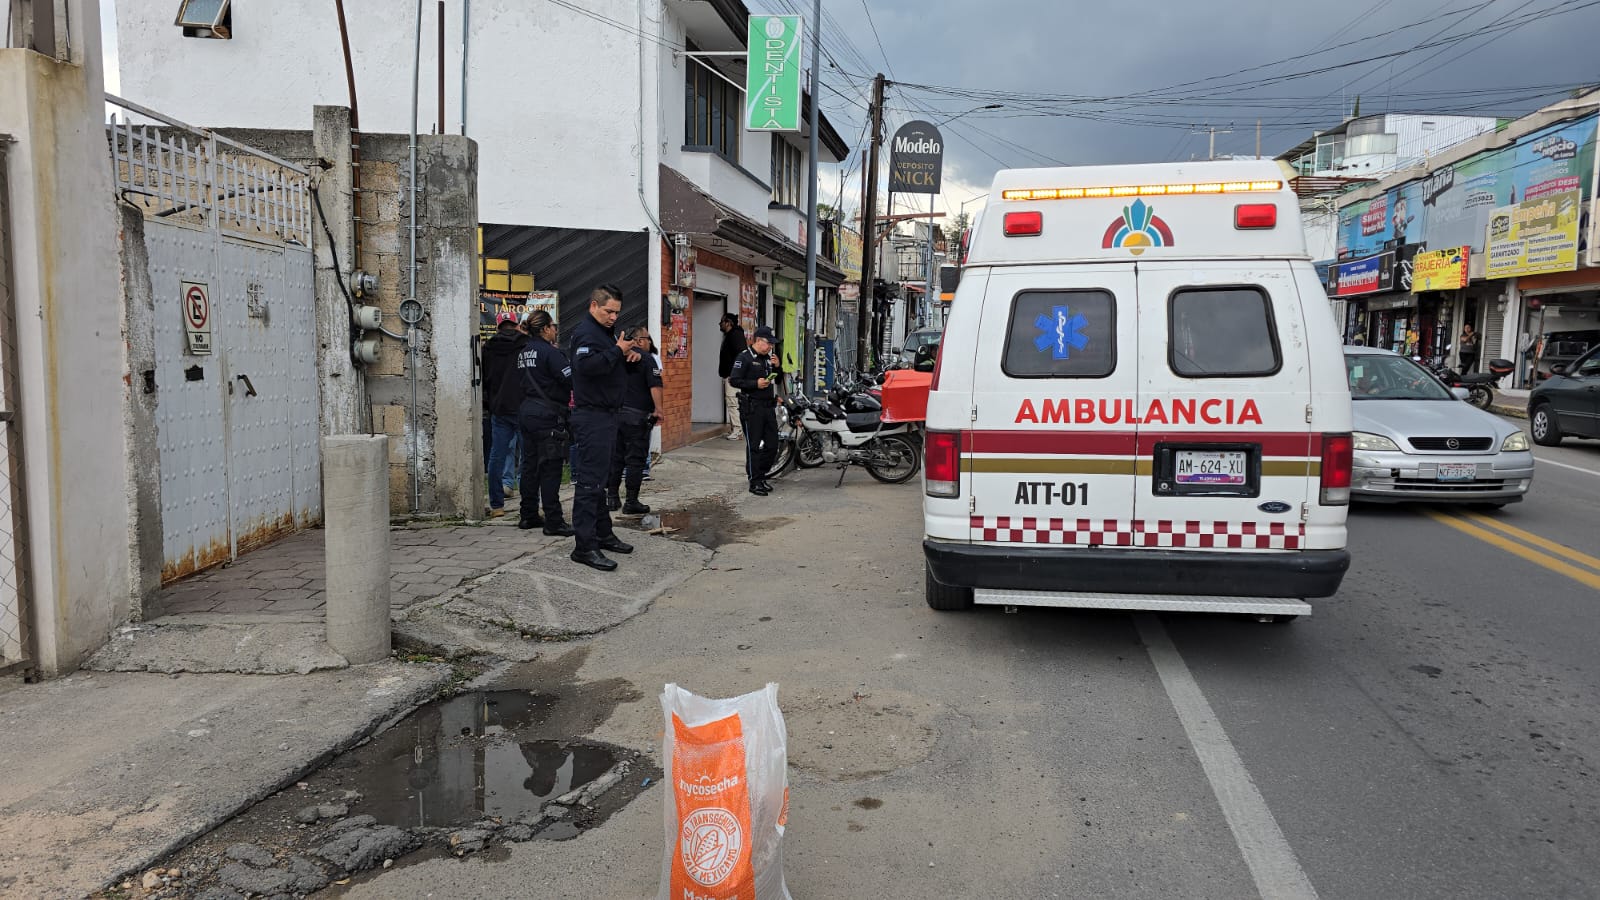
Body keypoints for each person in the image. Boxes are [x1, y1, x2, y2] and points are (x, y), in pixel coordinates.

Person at [567, 285, 637, 571]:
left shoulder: (605, 333)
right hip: (592, 416)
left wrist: (627, 357)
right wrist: (617, 351)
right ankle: (584, 546)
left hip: (607, 415)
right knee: (589, 482)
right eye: (608, 311)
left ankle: (603, 534)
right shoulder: (586, 333)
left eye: (617, 312)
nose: (613, 317)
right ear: (593, 305)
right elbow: (586, 368)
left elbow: (608, 367)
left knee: (602, 479)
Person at [513, 309, 575, 537]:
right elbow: (570, 380)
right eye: (553, 326)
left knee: (530, 466)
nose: (556, 330)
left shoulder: (524, 352)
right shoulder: (550, 353)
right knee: (550, 468)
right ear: (546, 329)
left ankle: (527, 515)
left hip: (527, 411)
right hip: (548, 415)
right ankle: (554, 521)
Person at [607, 328, 664, 515]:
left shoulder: (616, 358)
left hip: (616, 415)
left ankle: (612, 498)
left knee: (616, 458)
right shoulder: (647, 359)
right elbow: (655, 386)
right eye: (648, 338)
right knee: (635, 460)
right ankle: (631, 501)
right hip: (637, 416)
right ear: (640, 340)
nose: (650, 343)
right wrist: (659, 410)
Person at [481, 313, 528, 517]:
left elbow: (484, 378)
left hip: (499, 408)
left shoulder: (488, 348)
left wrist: (488, 403)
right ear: (516, 325)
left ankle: (497, 505)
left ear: (499, 326)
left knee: (496, 456)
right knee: (528, 456)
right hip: (523, 406)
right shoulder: (526, 344)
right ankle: (528, 503)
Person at [729, 325, 781, 496]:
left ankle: (762, 474)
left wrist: (777, 367)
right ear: (758, 341)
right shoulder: (744, 357)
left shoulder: (768, 358)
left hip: (768, 407)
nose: (770, 347)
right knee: (754, 446)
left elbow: (777, 379)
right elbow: (734, 380)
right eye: (768, 343)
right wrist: (754, 384)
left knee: (773, 444)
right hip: (752, 407)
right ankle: (755, 480)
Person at [718, 313, 747, 440]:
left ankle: (737, 430)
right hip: (730, 375)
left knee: (733, 402)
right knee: (732, 402)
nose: (720, 324)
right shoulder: (732, 335)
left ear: (728, 322)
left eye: (722, 322)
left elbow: (740, 356)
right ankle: (736, 429)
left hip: (733, 376)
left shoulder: (735, 335)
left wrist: (734, 374)